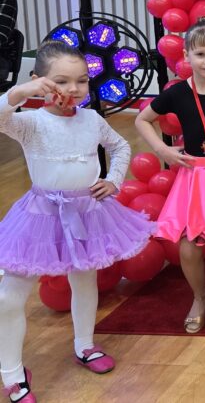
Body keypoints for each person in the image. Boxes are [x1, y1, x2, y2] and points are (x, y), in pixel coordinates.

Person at [0, 41, 156, 402]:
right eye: (61, 81)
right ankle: (12, 373)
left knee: (84, 279)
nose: (73, 89)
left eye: (82, 81)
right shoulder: (30, 123)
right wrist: (19, 92)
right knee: (9, 296)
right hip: (39, 217)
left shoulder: (91, 120)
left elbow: (120, 146)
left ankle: (85, 345)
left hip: (87, 212)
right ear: (38, 80)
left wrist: (114, 180)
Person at [134, 17, 205, 334]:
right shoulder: (176, 93)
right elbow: (142, 120)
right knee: (188, 245)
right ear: (186, 56)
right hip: (193, 175)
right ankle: (200, 296)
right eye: (200, 54)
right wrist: (163, 150)